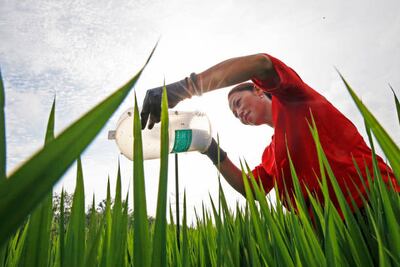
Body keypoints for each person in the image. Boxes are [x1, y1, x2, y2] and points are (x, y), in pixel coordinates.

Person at [140, 53, 399, 216]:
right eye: (233, 113)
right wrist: (211, 149)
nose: (238, 113)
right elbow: (251, 191)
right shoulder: (273, 152)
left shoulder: (295, 98)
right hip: (334, 231)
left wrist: (185, 88)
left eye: (238, 103)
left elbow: (261, 64)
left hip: (376, 203)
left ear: (260, 91)